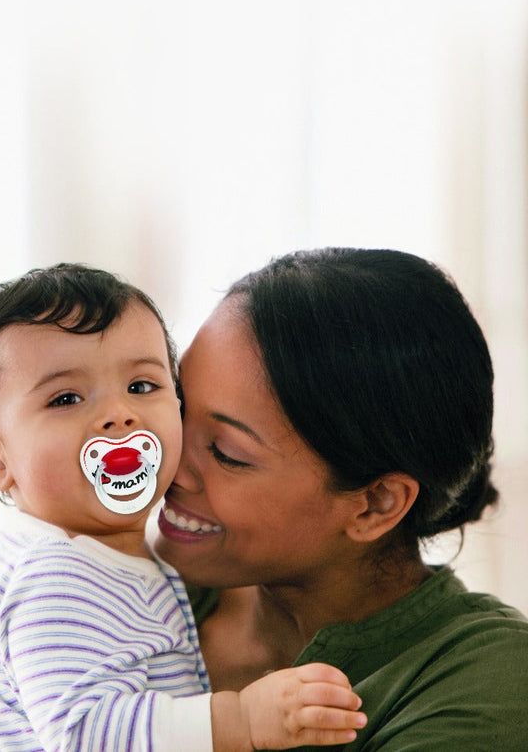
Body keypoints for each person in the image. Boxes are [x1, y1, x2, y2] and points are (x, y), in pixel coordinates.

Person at [0, 263, 367, 752]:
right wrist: (242, 718)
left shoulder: (107, 558)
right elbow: (86, 735)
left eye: (142, 387)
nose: (119, 414)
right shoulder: (54, 578)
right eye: (66, 398)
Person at [154, 246, 528, 750]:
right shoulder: (126, 590)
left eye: (226, 453)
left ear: (376, 504)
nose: (164, 461)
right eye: (173, 410)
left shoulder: (485, 679)